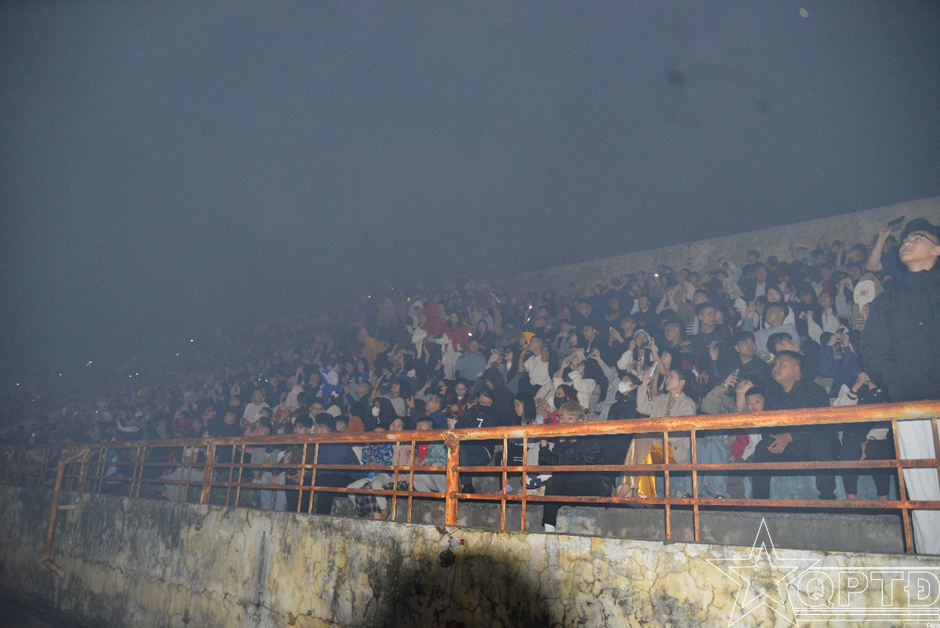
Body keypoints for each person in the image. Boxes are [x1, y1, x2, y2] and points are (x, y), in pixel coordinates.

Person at [860, 218, 940, 554]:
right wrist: (900, 377)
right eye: (906, 238)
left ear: (937, 249)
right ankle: (932, 561)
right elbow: (871, 349)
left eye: (918, 237)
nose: (908, 241)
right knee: (923, 491)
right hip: (911, 405)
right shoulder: (887, 300)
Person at [750, 351, 837, 500]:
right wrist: (772, 439)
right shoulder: (772, 393)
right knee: (762, 449)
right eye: (775, 364)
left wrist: (790, 437)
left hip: (810, 445)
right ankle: (760, 502)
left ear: (796, 370)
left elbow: (819, 426)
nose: (775, 368)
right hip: (786, 448)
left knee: (820, 443)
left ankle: (827, 499)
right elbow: (767, 424)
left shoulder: (815, 391)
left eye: (781, 364)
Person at [538, 402, 612, 532]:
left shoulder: (592, 441)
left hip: (594, 485)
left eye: (570, 418)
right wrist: (543, 443)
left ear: (580, 421)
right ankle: (549, 529)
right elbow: (550, 464)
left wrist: (562, 445)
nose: (564, 422)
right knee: (552, 482)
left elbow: (579, 467)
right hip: (572, 485)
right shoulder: (562, 442)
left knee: (572, 475)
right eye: (562, 418)